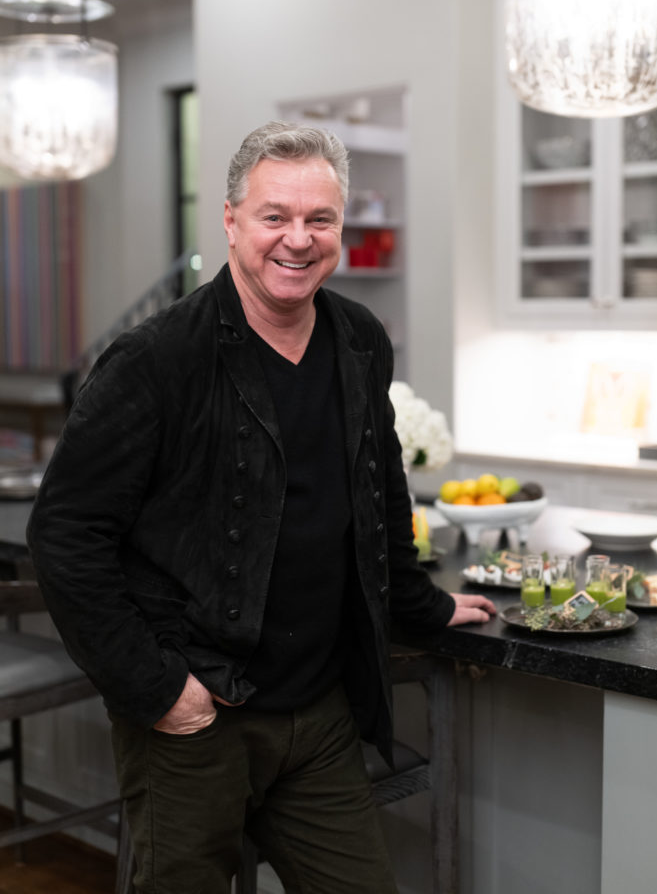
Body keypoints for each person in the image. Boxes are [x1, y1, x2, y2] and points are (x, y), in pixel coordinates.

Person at [27, 121, 495, 894]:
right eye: (274, 216)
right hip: (197, 709)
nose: (297, 239)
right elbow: (65, 536)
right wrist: (157, 689)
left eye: (320, 219)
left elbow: (378, 491)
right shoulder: (156, 358)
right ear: (231, 220)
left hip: (318, 708)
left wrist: (422, 604)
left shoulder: (358, 338)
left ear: (339, 227)